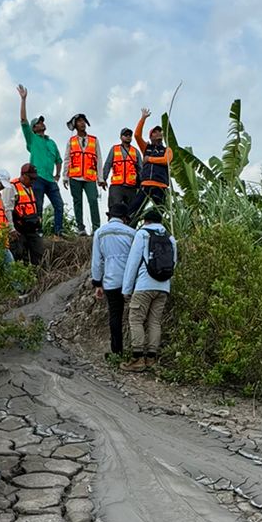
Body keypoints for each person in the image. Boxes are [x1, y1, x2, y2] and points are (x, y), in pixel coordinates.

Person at [122, 204, 177, 372]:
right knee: (154, 321)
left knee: (136, 319)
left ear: (145, 221)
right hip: (163, 286)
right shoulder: (170, 237)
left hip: (144, 285)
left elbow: (133, 262)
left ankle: (137, 359)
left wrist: (126, 289)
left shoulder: (143, 234)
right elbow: (174, 263)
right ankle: (151, 359)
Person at [17, 84, 64, 236]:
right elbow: (23, 119)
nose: (41, 123)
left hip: (50, 179)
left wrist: (58, 174)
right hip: (37, 178)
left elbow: (59, 160)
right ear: (33, 128)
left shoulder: (51, 142)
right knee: (38, 205)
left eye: (42, 122)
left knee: (59, 205)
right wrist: (23, 99)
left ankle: (58, 232)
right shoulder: (32, 139)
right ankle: (39, 231)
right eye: (38, 123)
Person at [90, 208, 136, 358]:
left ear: (109, 217)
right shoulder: (132, 232)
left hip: (111, 281)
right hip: (131, 281)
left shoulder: (100, 232)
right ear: (124, 218)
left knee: (115, 316)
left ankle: (117, 351)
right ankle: (138, 351)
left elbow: (97, 261)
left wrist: (97, 283)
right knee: (136, 316)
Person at [66, 114, 102, 234]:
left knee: (93, 200)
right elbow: (67, 159)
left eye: (84, 121)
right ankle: (80, 228)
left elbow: (99, 159)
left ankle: (96, 228)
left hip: (90, 177)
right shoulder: (71, 141)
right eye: (79, 121)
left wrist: (100, 178)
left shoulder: (94, 140)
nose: (82, 123)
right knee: (77, 202)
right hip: (75, 177)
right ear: (75, 125)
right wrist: (65, 176)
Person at [103, 127, 143, 221]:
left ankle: (129, 228)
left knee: (131, 210)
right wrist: (103, 179)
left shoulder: (135, 151)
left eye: (130, 135)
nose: (128, 137)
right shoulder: (114, 149)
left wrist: (141, 183)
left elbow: (140, 168)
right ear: (121, 137)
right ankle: (112, 226)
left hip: (131, 186)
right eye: (126, 135)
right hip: (117, 185)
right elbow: (108, 164)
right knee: (114, 207)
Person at [134, 111, 173, 205]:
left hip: (161, 185)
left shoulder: (167, 150)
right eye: (155, 132)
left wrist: (149, 159)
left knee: (159, 211)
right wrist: (143, 118)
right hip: (145, 184)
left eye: (159, 131)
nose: (158, 133)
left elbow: (166, 161)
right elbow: (137, 135)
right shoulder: (146, 148)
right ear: (151, 137)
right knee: (133, 209)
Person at [10, 163, 44, 268]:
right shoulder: (12, 187)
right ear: (24, 175)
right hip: (19, 228)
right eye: (31, 178)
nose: (33, 181)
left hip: (31, 227)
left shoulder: (30, 187)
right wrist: (11, 228)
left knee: (38, 252)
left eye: (34, 179)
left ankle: (37, 276)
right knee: (19, 254)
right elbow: (8, 209)